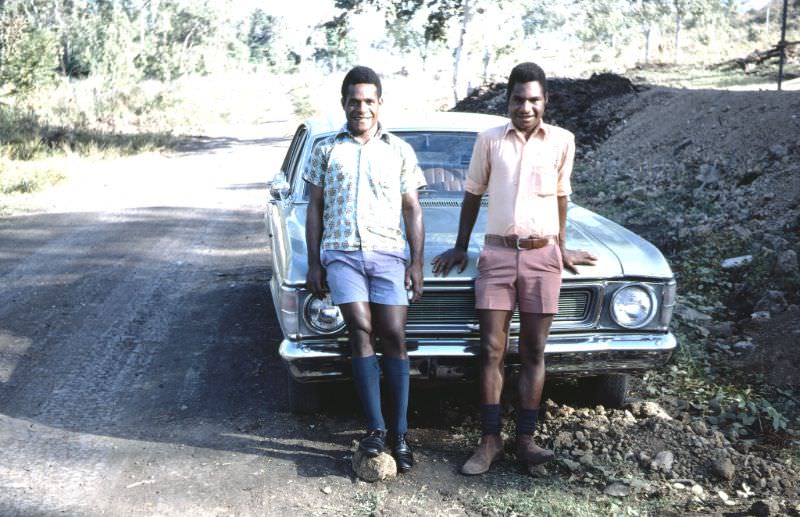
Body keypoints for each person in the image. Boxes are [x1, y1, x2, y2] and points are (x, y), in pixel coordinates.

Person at [431, 62, 597, 475]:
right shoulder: (489, 140)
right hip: (497, 255)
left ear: (545, 101)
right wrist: (459, 246)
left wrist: (562, 245)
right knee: (491, 349)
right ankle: (489, 441)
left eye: (534, 99)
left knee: (534, 350)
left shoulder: (562, 141)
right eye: (518, 99)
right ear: (508, 100)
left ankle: (526, 440)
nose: (526, 107)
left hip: (543, 257)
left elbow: (561, 196)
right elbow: (472, 193)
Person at [304, 66, 426, 473]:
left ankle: (401, 433)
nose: (361, 108)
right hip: (341, 253)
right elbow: (315, 207)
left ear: (380, 104)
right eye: (354, 101)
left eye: (369, 101)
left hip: (389, 253)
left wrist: (417, 262)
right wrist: (313, 260)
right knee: (360, 328)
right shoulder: (326, 149)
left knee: (393, 333)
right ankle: (374, 430)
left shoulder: (399, 150)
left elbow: (412, 208)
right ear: (344, 103)